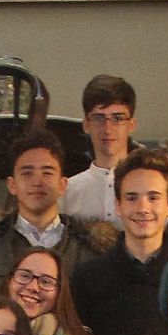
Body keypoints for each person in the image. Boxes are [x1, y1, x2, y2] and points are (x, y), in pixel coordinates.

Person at [0, 127, 115, 319]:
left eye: (47, 173)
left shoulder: (86, 248)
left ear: (63, 185)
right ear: (12, 185)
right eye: (27, 173)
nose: (37, 182)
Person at [71, 147, 168, 335]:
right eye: (132, 198)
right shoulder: (88, 278)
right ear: (118, 206)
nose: (143, 208)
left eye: (153, 197)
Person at [66, 74, 138, 226]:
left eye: (117, 118)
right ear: (86, 125)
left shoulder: (150, 189)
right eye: (99, 118)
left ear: (131, 125)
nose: (107, 129)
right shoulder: (68, 192)